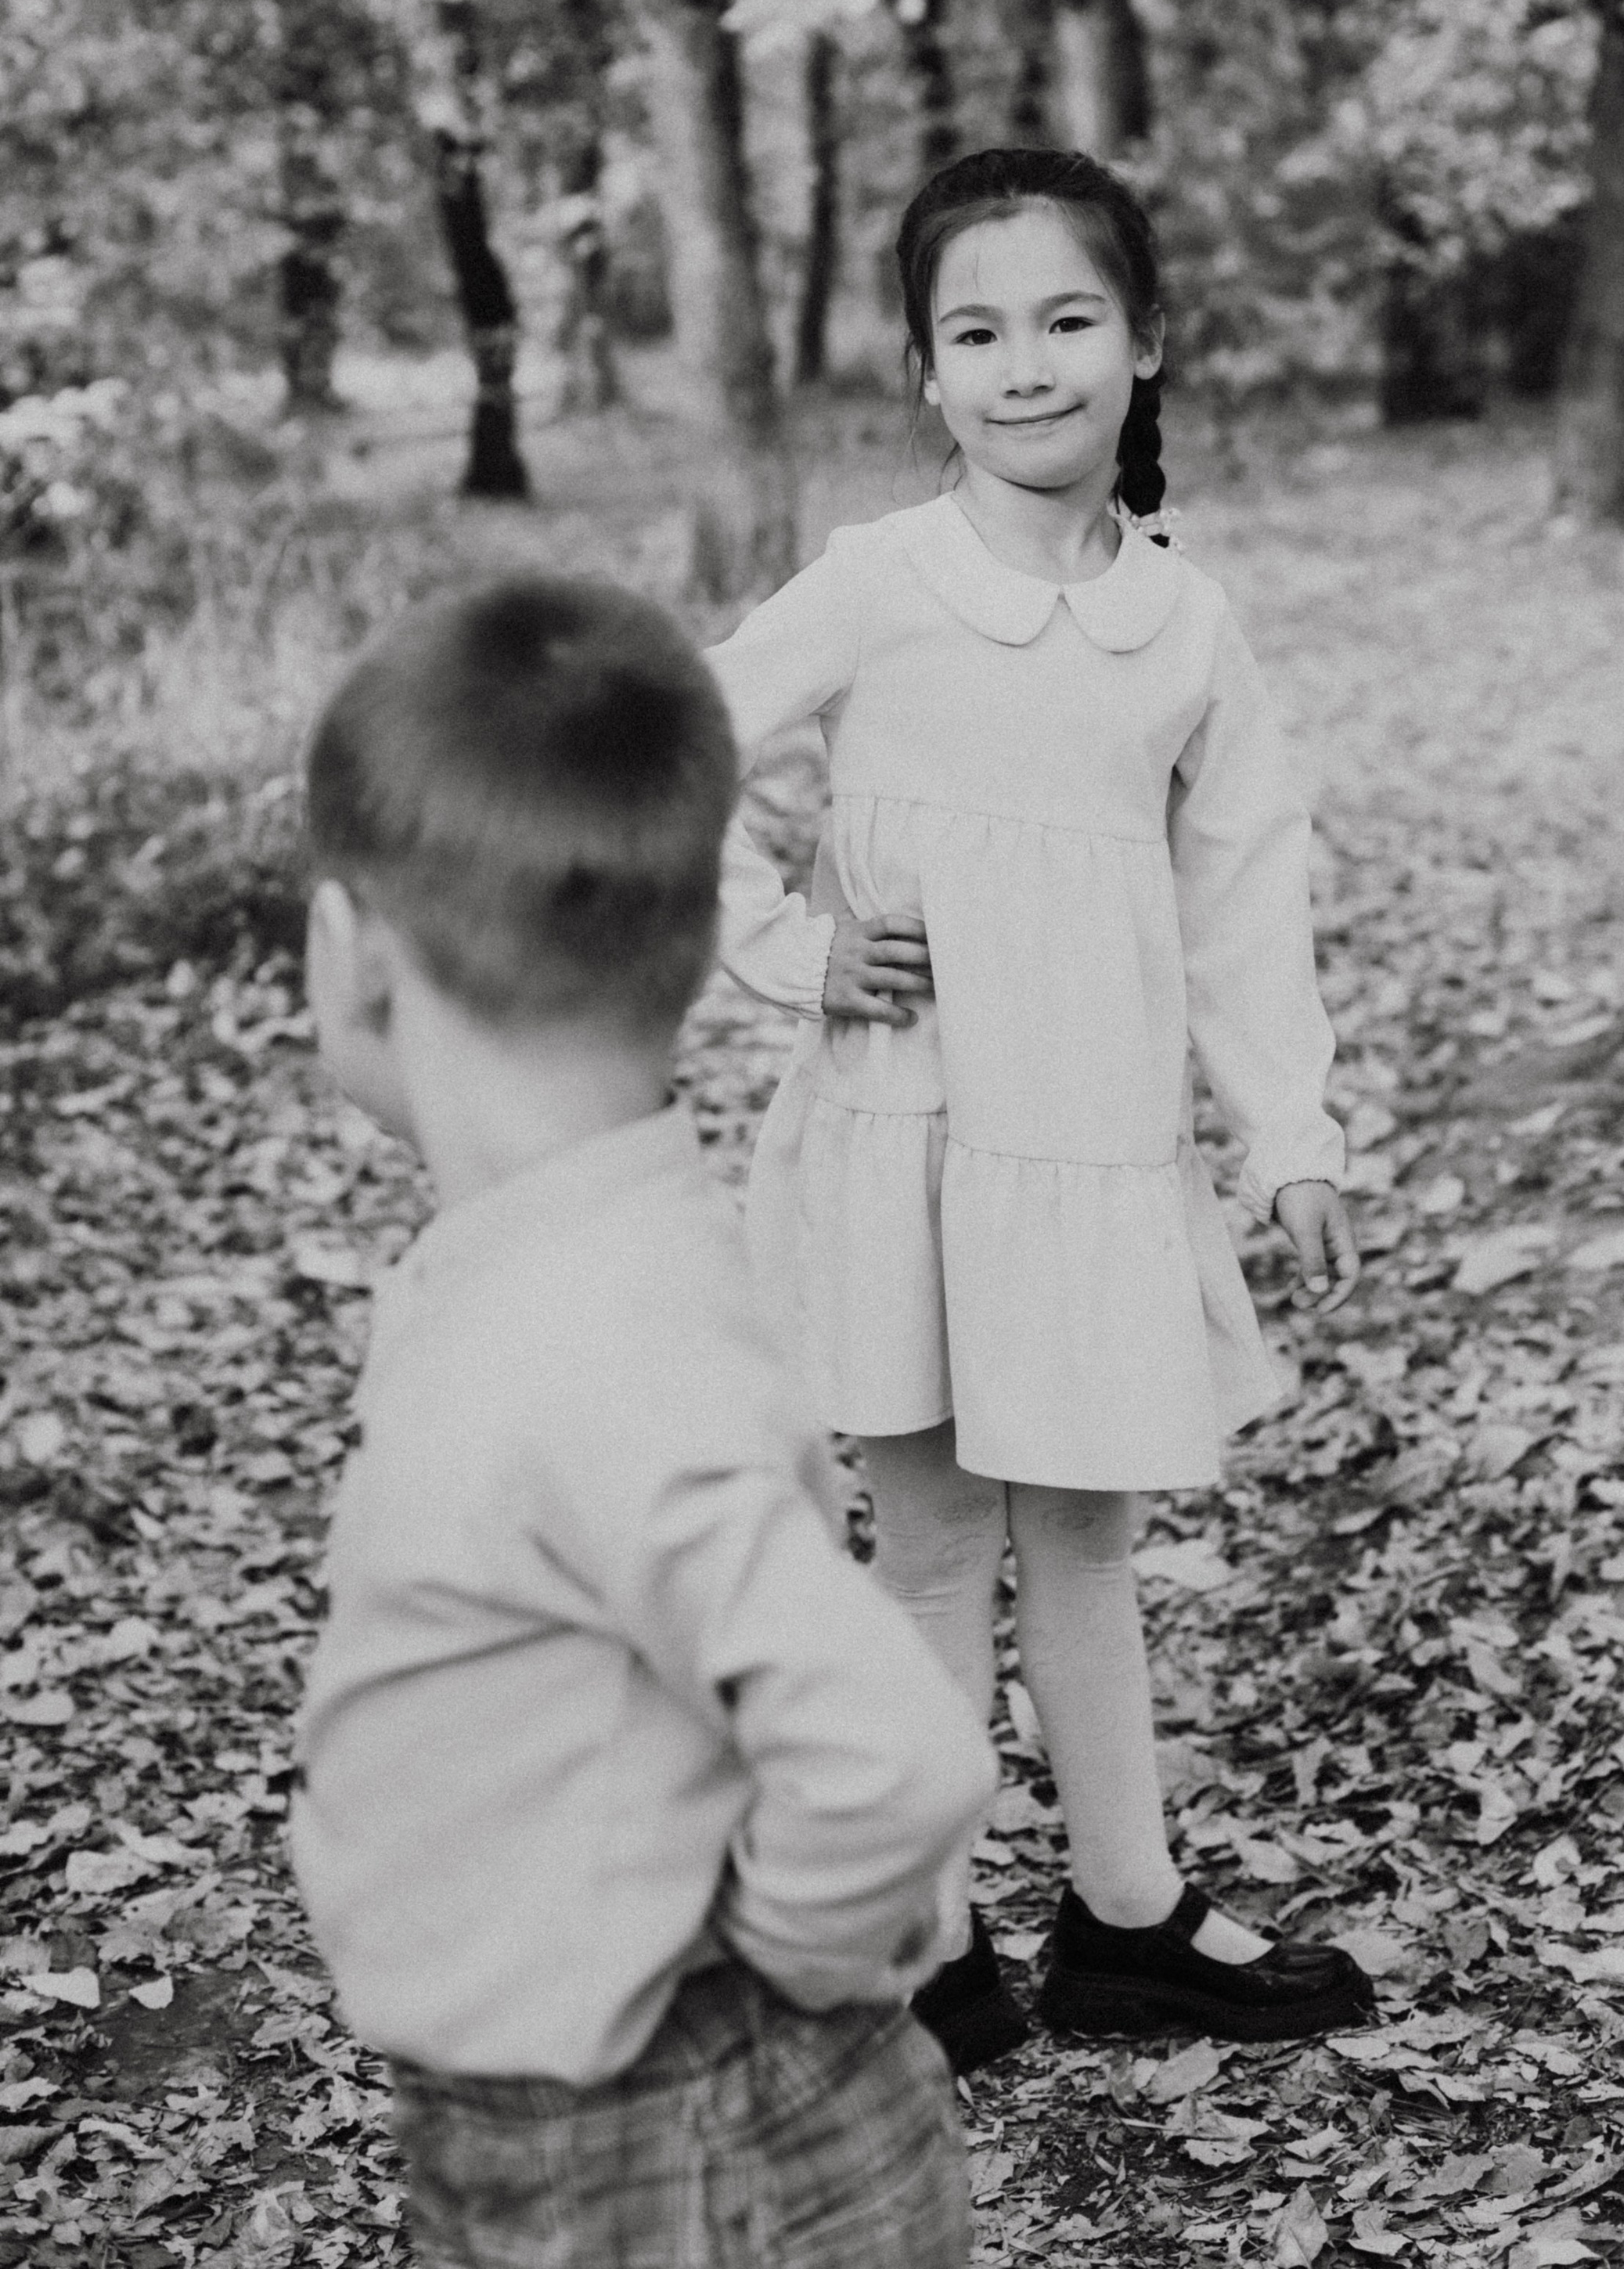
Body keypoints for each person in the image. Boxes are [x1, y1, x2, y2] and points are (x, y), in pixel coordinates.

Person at [708, 148, 1377, 2073]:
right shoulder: (879, 589)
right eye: (974, 332)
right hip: (905, 1142)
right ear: (924, 371)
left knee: (1082, 1538)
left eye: (1067, 321)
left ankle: (1125, 1917)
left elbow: (1244, 895)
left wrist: (1294, 1136)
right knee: (924, 1555)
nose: (1023, 367)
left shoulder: (1185, 625)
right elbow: (654, 751)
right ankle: (923, 1949)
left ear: (1143, 344)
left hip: (1089, 1152)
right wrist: (783, 946)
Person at [290, 575, 996, 2269]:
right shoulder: (583, 1257)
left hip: (671, 2146)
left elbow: (892, 1758)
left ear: (355, 954)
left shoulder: (586, 1340)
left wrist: (776, 1976)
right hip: (590, 2118)